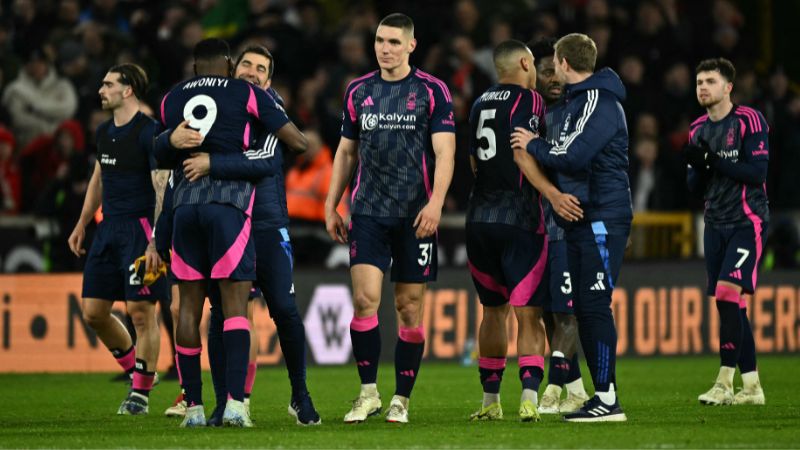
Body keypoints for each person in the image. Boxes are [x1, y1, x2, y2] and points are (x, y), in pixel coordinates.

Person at [160, 45, 319, 425]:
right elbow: (174, 171)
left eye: (261, 68)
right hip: (230, 216)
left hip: (265, 223)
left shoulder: (267, 108)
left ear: (269, 79)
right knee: (221, 314)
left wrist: (213, 162)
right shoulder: (229, 107)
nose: (252, 71)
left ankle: (299, 394)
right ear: (233, 67)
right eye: (247, 63)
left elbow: (268, 160)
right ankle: (226, 403)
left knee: (283, 308)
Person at [325, 13, 456, 424]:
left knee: (408, 307)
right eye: (380, 40)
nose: (385, 48)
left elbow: (445, 153)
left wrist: (435, 204)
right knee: (364, 301)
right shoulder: (358, 90)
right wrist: (332, 204)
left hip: (415, 215)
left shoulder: (431, 90)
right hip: (367, 211)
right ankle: (368, 394)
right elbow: (346, 152)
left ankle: (402, 398)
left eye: (394, 42)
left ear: (411, 46)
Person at [511, 33, 632, 422]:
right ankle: (601, 395)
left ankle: (608, 398)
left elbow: (574, 154)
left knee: (595, 306)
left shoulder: (599, 101)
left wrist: (532, 145)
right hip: (583, 217)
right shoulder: (576, 102)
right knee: (584, 306)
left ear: (563, 62)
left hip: (602, 217)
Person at [465, 39, 582, 423]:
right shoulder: (529, 102)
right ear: (523, 62)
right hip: (520, 219)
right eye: (534, 64)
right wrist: (551, 193)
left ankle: (489, 402)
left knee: (491, 313)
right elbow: (521, 152)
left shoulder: (480, 101)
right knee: (528, 314)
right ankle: (530, 397)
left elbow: (473, 159)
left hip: (479, 219)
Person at [67, 63, 168, 415]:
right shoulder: (103, 131)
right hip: (108, 229)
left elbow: (161, 188)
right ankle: (139, 372)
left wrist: (157, 240)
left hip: (139, 231)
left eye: (108, 84)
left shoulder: (149, 131)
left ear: (128, 90)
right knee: (94, 312)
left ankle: (139, 394)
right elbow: (99, 178)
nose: (101, 90)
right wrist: (82, 222)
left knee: (141, 313)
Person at [685, 57, 767, 406]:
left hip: (747, 221)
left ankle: (723, 382)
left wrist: (714, 162)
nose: (703, 87)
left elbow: (756, 173)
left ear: (728, 87)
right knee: (732, 305)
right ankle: (752, 388)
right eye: (699, 81)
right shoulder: (697, 129)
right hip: (714, 223)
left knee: (726, 294)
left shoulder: (749, 120)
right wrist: (700, 168)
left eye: (710, 81)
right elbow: (693, 187)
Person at [527, 37, 590, 415]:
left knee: (566, 312)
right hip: (539, 228)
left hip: (569, 225)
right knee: (550, 314)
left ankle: (553, 386)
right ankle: (578, 389)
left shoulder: (578, 112)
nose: (552, 77)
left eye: (556, 69)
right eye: (545, 70)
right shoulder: (531, 115)